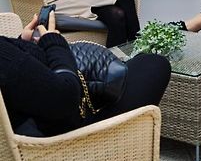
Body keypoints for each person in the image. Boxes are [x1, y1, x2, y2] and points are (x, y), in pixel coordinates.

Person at [0, 12, 170, 137]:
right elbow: (64, 97)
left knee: (136, 64)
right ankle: (120, 149)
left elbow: (17, 74)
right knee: (154, 65)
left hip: (46, 109)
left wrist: (23, 44)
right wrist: (54, 42)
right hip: (69, 135)